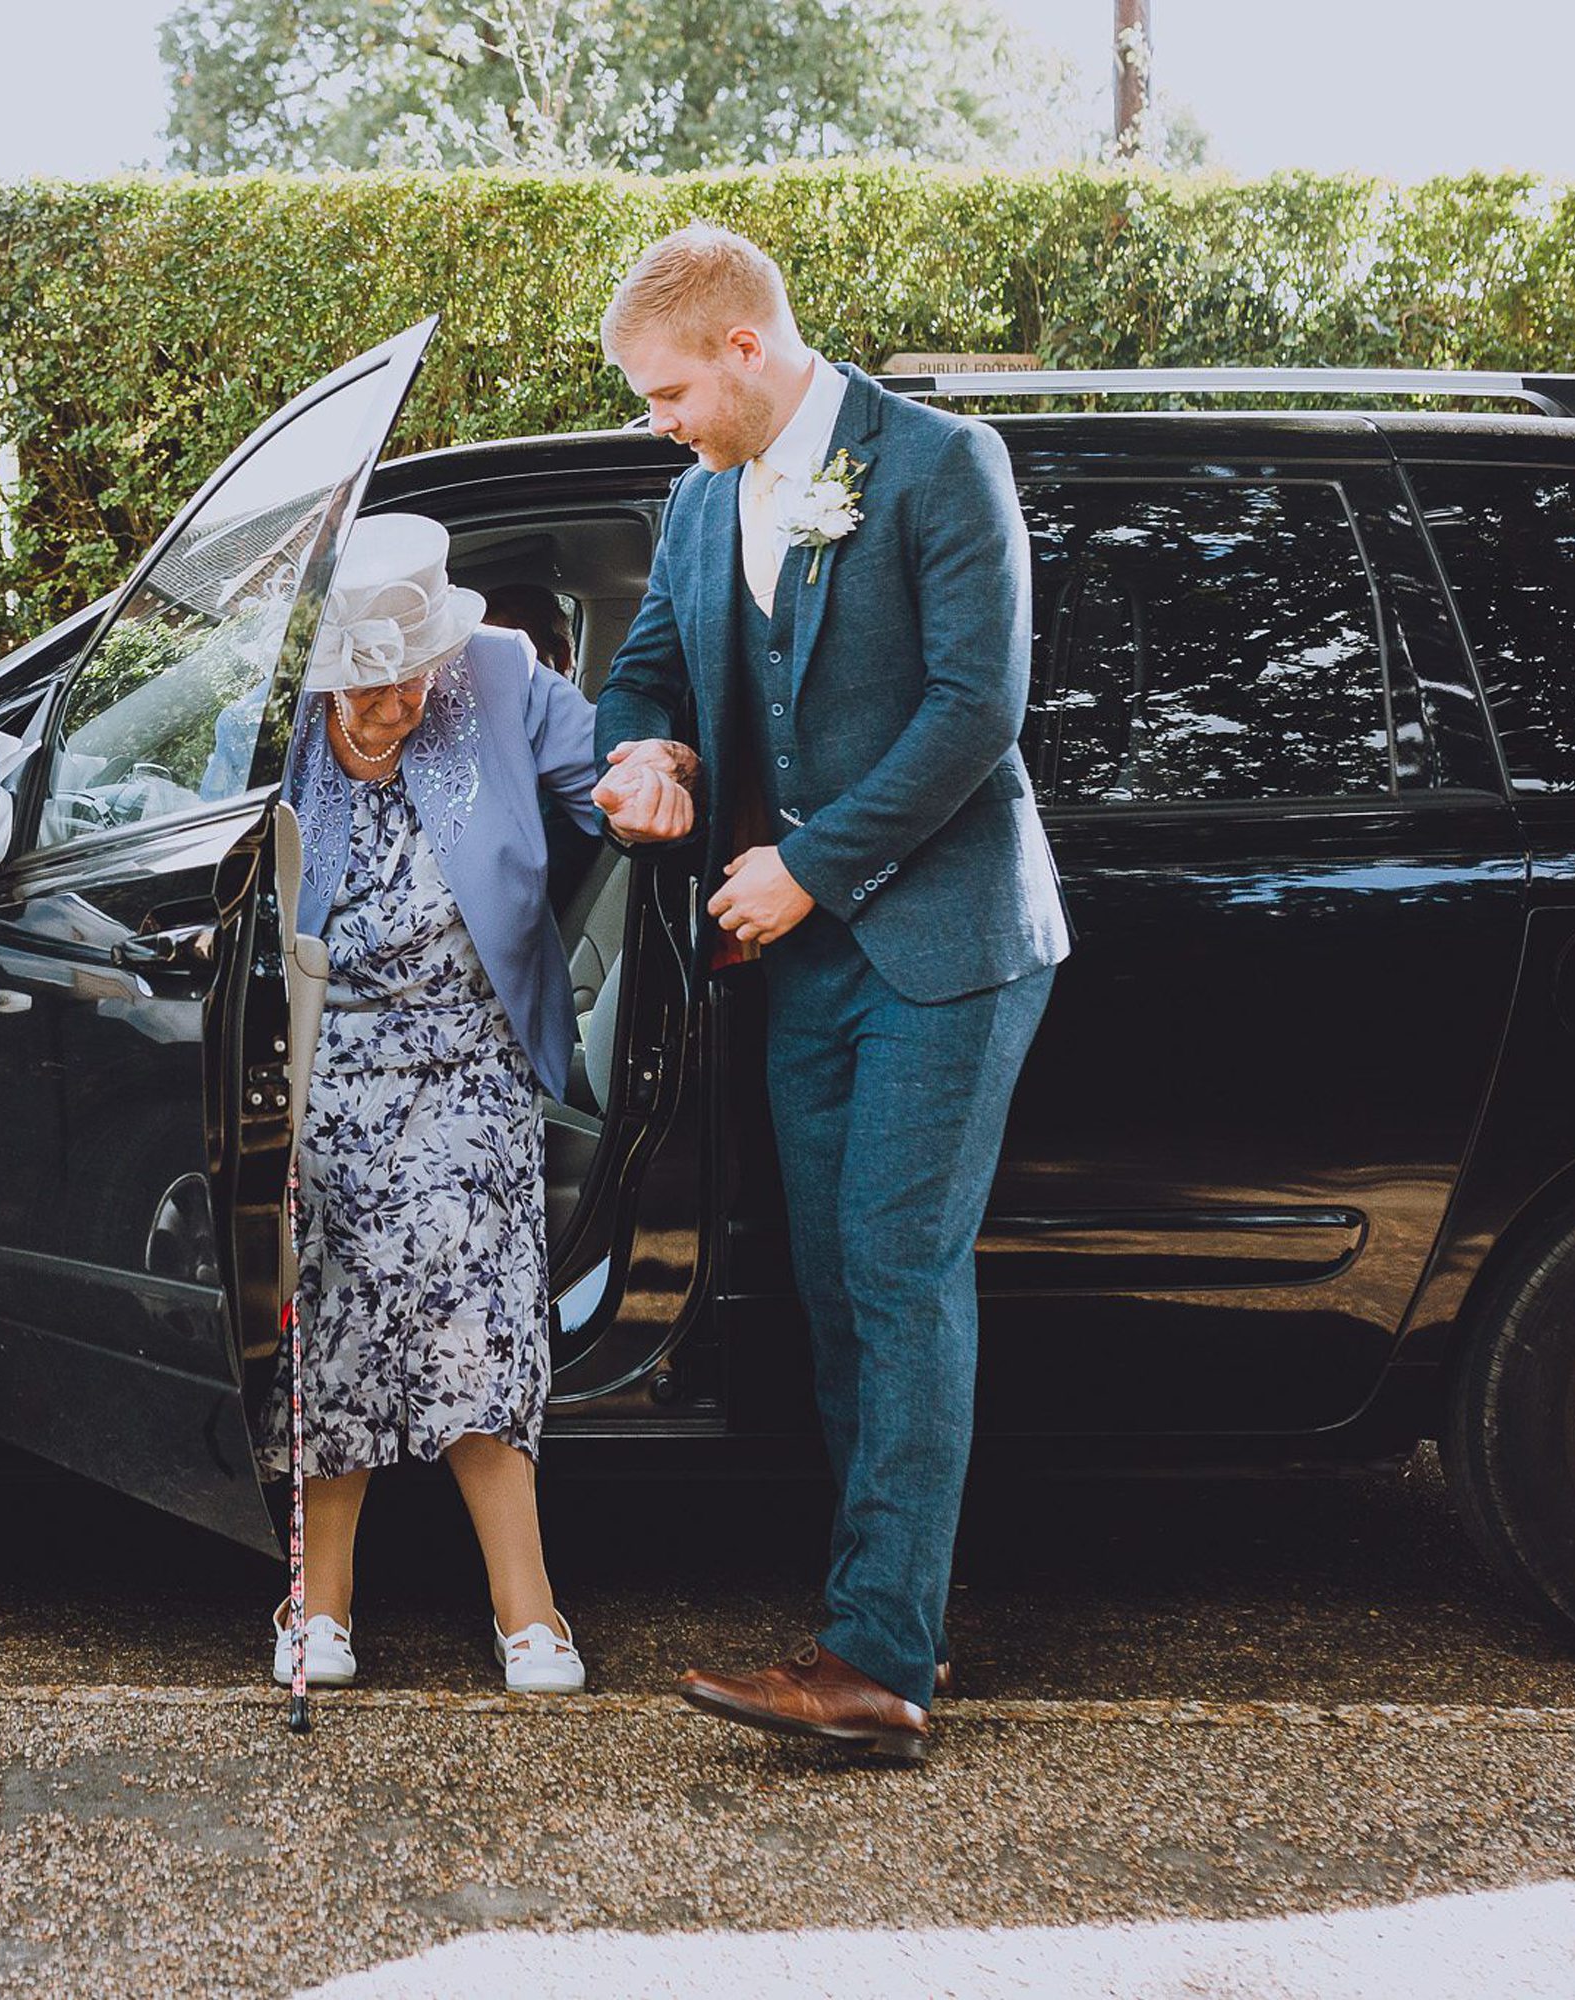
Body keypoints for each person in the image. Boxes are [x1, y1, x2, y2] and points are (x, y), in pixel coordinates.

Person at [588, 222, 1071, 1761]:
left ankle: (876, 1660)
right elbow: (647, 668)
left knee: (896, 1273)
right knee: (828, 1291)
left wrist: (807, 864)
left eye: (669, 392)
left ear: (744, 348)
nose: (658, 423)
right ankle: (889, 1625)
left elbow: (974, 712)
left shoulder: (941, 463)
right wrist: (644, 750)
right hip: (794, 970)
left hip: (946, 944)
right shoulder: (693, 503)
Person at [269, 511, 604, 1695]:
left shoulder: (506, 676)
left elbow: (615, 778)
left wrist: (665, 778)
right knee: (333, 1321)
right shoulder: (270, 724)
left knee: (477, 1312)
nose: (387, 711)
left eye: (405, 684)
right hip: (327, 1066)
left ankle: (530, 1611)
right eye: (360, 693)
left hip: (470, 1059)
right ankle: (317, 1606)